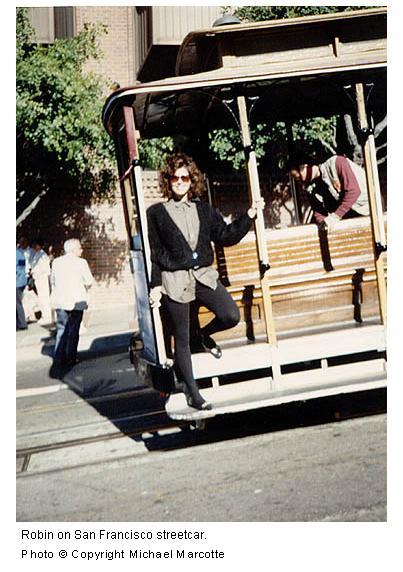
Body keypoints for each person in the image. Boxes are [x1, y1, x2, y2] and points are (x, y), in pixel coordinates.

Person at [147, 153, 264, 410]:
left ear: (192, 180)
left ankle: (202, 335)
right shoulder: (156, 213)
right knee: (181, 338)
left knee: (230, 315)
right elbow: (154, 253)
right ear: (167, 180)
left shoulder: (204, 209)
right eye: (174, 178)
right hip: (175, 280)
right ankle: (193, 393)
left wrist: (249, 216)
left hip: (203, 276)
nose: (179, 182)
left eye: (184, 177)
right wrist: (155, 286)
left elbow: (225, 236)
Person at [290, 155, 370, 230]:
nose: (299, 182)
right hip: (352, 218)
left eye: (298, 178)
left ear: (304, 167)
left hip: (369, 211)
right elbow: (318, 211)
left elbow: (353, 192)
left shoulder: (337, 163)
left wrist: (334, 217)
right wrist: (323, 224)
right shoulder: (311, 189)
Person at [50, 239, 94, 366]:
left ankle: (59, 357)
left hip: (61, 300)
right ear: (73, 249)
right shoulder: (81, 262)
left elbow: (53, 280)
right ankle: (71, 357)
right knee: (74, 329)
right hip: (76, 300)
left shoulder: (56, 262)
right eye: (80, 248)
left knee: (62, 328)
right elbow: (89, 281)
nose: (81, 250)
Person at [30, 237, 52, 325]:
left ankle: (47, 316)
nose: (34, 247)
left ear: (39, 245)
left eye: (35, 245)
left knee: (44, 298)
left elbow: (44, 269)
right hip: (38, 279)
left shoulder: (43, 256)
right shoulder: (36, 254)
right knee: (41, 298)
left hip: (42, 279)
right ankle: (44, 315)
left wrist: (34, 271)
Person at [16, 237, 29, 330]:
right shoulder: (20, 253)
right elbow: (20, 267)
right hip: (21, 281)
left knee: (17, 303)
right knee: (17, 302)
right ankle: (20, 322)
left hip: (16, 282)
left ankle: (22, 323)